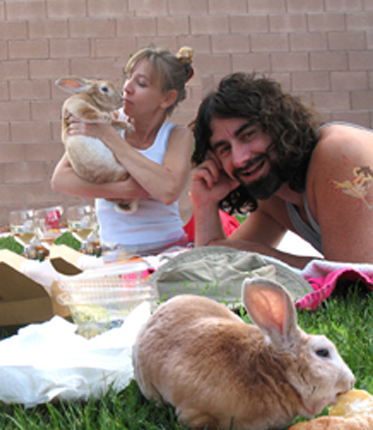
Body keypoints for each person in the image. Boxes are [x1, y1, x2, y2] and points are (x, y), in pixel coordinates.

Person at [191, 72, 373, 268]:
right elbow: (217, 264)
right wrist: (206, 203)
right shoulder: (275, 201)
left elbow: (360, 277)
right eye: (225, 149)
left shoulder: (339, 152)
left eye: (248, 135)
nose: (240, 159)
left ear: (277, 125)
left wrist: (264, 257)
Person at [51, 45, 195, 255]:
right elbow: (60, 180)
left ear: (167, 99)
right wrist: (127, 190)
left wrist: (107, 135)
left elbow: (168, 190)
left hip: (168, 252)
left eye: (141, 83)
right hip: (114, 254)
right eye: (129, 78)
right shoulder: (106, 120)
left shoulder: (177, 136)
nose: (127, 88)